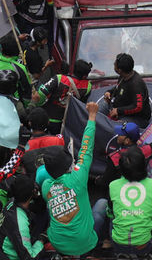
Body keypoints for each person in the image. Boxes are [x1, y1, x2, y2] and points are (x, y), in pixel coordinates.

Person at [39, 101, 98, 257]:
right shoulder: (78, 178)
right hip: (85, 243)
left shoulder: (46, 187)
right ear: (67, 165)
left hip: (58, 242)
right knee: (100, 208)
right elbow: (86, 148)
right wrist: (92, 116)